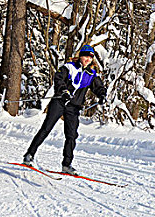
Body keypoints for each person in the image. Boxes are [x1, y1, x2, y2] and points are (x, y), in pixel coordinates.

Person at [23, 45, 107, 175]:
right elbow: (58, 79)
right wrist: (63, 91)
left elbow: (98, 87)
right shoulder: (69, 67)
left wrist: (102, 95)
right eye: (85, 56)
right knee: (46, 128)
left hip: (73, 107)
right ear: (80, 56)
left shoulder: (91, 74)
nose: (87, 59)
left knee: (72, 135)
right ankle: (29, 155)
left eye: (90, 57)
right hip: (60, 102)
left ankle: (66, 165)